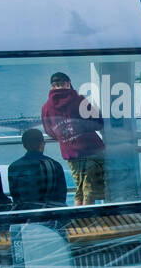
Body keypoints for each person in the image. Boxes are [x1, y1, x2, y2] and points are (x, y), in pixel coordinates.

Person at [40, 71, 105, 205]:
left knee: (80, 189)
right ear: (68, 83)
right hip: (91, 150)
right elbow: (98, 123)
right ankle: (88, 220)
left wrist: (65, 136)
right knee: (90, 190)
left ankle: (80, 219)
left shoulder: (46, 108)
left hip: (70, 152)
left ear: (51, 86)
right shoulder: (79, 100)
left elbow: (49, 131)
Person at [6, 128, 67, 210]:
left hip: (25, 213)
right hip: (51, 212)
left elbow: (15, 196)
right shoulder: (55, 165)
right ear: (42, 144)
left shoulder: (14, 167)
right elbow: (61, 196)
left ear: (24, 145)